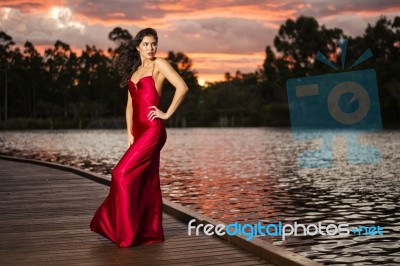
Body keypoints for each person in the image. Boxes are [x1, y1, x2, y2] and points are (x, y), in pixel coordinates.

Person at [89, 28, 188, 248]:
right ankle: (148, 231)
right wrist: (129, 134)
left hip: (153, 130)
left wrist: (166, 113)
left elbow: (182, 87)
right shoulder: (134, 73)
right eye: (146, 44)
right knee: (146, 182)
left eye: (154, 43)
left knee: (120, 174)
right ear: (138, 47)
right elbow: (130, 106)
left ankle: (124, 234)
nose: (151, 48)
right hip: (139, 132)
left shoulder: (159, 64)